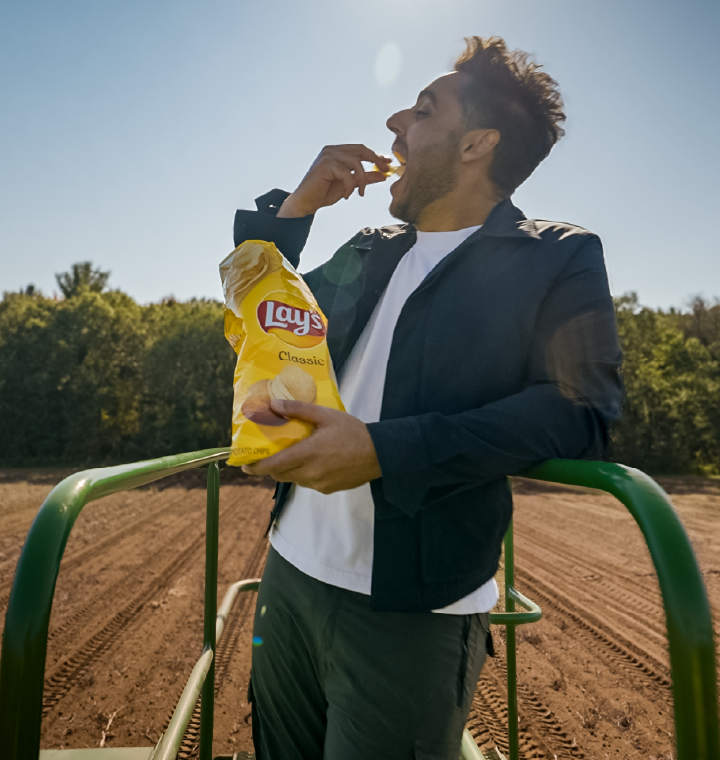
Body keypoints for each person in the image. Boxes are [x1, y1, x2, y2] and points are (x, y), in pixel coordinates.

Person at [234, 35, 622, 760]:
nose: (393, 125)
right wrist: (294, 209)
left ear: (478, 143)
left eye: (421, 109)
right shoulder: (368, 247)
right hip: (287, 571)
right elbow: (259, 325)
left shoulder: (558, 256)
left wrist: (385, 451)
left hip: (413, 613)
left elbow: (581, 411)